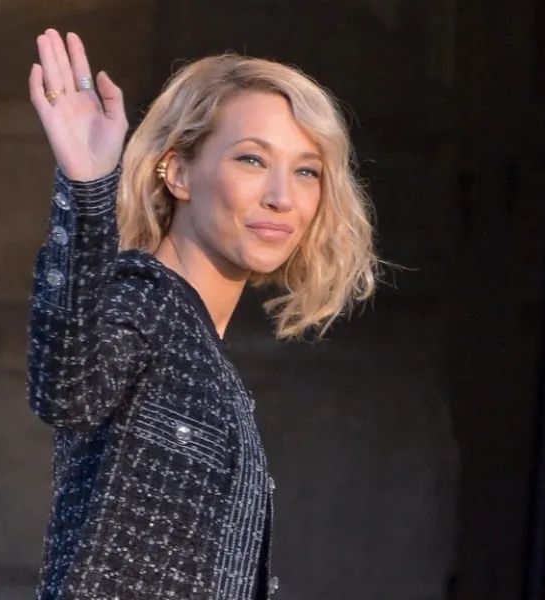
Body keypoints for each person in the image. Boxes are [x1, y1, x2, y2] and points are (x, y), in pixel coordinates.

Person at [24, 29, 377, 599]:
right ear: (178, 172)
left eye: (307, 171)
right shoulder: (144, 298)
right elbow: (68, 387)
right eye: (252, 159)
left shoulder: (201, 346)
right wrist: (88, 189)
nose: (281, 196)